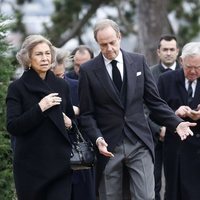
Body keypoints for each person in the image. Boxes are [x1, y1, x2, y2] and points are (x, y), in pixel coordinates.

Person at [78, 18, 196, 200]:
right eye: (103, 45)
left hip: (139, 141)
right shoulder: (88, 70)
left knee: (146, 197)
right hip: (108, 146)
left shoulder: (138, 61)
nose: (109, 48)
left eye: (112, 42)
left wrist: (176, 123)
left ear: (119, 37)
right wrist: (97, 138)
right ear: (97, 43)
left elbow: (154, 102)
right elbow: (86, 114)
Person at [6, 35, 75, 200]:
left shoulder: (61, 85)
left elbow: (73, 122)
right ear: (28, 58)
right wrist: (40, 108)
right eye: (39, 54)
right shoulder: (17, 88)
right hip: (30, 168)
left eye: (47, 53)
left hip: (59, 165)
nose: (45, 58)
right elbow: (13, 126)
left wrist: (70, 123)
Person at [157, 42, 200, 200]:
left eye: (198, 67)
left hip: (198, 149)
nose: (194, 71)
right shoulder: (166, 80)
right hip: (175, 148)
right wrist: (174, 115)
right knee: (174, 192)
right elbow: (155, 112)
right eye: (189, 67)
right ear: (181, 61)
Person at [52, 47, 96, 200]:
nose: (60, 79)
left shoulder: (76, 86)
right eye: (55, 76)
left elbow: (91, 115)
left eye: (62, 75)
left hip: (78, 155)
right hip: (54, 158)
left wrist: (75, 113)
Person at [149, 34, 180, 200]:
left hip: (179, 136)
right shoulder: (150, 73)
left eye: (172, 49)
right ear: (158, 52)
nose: (168, 53)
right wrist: (158, 129)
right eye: (165, 50)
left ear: (177, 51)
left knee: (177, 180)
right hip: (155, 136)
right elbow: (143, 106)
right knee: (154, 181)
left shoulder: (185, 73)